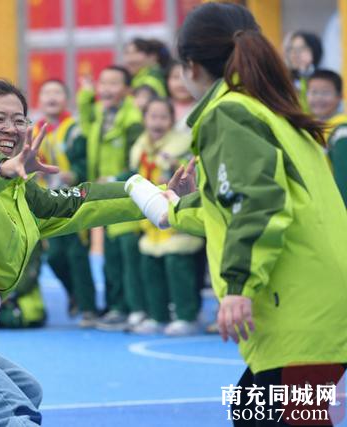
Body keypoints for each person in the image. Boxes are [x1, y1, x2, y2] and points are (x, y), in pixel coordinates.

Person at [0, 80, 188, 425]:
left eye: (19, 119)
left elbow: (79, 203)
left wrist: (157, 195)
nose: (11, 128)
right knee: (12, 414)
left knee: (25, 392)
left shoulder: (18, 193)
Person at [160, 3, 347, 425]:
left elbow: (259, 202)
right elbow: (239, 203)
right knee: (254, 410)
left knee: (279, 416)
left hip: (303, 305)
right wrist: (179, 208)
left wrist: (239, 286)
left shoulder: (229, 112)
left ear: (190, 66)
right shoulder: (270, 107)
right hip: (318, 297)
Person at [77, 65, 146, 331]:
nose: (106, 88)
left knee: (128, 253)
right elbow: (85, 119)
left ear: (127, 90)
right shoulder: (100, 114)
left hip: (127, 193)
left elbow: (138, 157)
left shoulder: (132, 120)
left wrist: (120, 177)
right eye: (103, 83)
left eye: (114, 83)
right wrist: (85, 94)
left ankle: (135, 308)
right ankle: (117, 306)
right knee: (110, 255)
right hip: (104, 196)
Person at [128, 98, 203, 336]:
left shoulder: (181, 147)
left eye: (163, 117)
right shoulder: (139, 148)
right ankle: (157, 315)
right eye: (153, 116)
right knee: (151, 268)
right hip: (151, 219)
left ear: (172, 121)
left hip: (177, 217)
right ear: (145, 119)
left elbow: (193, 177)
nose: (157, 122)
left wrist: (174, 165)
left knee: (177, 266)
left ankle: (186, 315)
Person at [34, 79, 98, 327]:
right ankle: (74, 294)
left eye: (57, 92)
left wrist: (77, 174)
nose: (52, 97)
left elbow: (86, 161)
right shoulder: (33, 131)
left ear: (66, 99)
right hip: (47, 202)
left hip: (74, 200)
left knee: (78, 254)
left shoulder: (75, 130)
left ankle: (89, 308)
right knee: (55, 257)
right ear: (39, 100)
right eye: (46, 92)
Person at [307, 69, 347, 205]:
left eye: (325, 93)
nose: (318, 98)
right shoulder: (312, 129)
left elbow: (344, 181)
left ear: (340, 96)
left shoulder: (342, 132)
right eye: (313, 92)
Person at [284, 31, 323, 113]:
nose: (295, 54)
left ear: (314, 50)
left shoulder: (324, 79)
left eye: (302, 49)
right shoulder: (284, 79)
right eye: (291, 49)